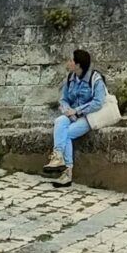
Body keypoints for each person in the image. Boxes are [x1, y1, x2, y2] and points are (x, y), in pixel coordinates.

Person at [42, 47, 116, 187]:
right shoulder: (70, 78)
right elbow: (63, 99)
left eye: (70, 60)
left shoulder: (95, 79)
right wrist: (66, 108)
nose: (68, 62)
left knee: (68, 133)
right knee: (59, 121)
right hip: (72, 114)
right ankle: (58, 157)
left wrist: (76, 111)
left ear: (78, 65)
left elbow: (98, 103)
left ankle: (67, 172)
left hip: (89, 116)